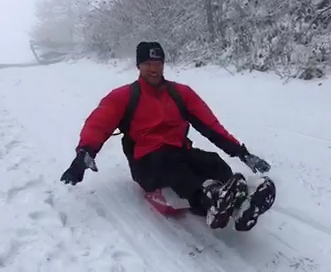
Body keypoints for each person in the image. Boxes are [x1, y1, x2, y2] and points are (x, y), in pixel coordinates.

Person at [60, 41, 275, 231]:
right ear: (138, 66)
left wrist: (242, 153)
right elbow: (98, 124)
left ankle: (241, 205)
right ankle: (209, 201)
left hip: (178, 151)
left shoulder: (180, 94)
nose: (154, 69)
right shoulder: (124, 97)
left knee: (212, 162)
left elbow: (211, 126)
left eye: (158, 63)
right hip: (146, 162)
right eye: (148, 64)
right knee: (172, 166)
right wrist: (84, 155)